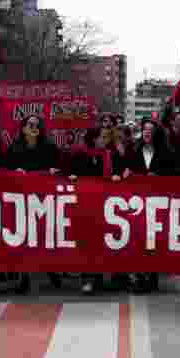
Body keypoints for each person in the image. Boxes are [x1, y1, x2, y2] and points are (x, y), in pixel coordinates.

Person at [5, 114, 60, 294]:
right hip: (21, 199)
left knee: (46, 235)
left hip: (44, 199)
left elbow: (59, 165)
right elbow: (5, 167)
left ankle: (52, 270)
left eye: (36, 125)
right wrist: (15, 171)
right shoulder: (15, 147)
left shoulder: (49, 147)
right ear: (23, 128)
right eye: (30, 124)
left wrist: (54, 170)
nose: (33, 127)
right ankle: (24, 277)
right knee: (23, 237)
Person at [69, 126, 121, 295]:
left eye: (107, 137)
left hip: (104, 205)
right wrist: (72, 176)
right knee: (87, 242)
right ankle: (87, 278)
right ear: (93, 138)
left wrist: (117, 176)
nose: (105, 140)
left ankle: (98, 277)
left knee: (100, 242)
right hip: (85, 206)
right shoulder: (80, 154)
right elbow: (69, 171)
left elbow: (119, 171)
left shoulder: (110, 155)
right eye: (102, 137)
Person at [125, 119, 174, 293]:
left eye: (150, 130)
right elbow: (127, 168)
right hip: (137, 202)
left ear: (156, 133)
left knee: (153, 240)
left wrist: (158, 176)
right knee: (138, 239)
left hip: (157, 202)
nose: (147, 132)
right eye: (144, 129)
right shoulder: (134, 150)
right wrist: (127, 172)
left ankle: (152, 275)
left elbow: (174, 172)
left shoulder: (166, 152)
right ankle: (138, 277)